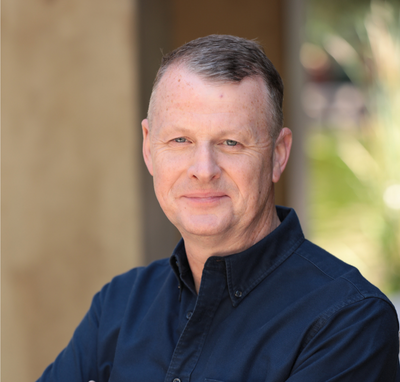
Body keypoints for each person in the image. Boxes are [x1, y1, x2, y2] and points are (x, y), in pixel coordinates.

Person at [37, 35, 400, 382]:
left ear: (278, 154)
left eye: (230, 142)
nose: (203, 170)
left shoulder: (348, 320)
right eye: (180, 140)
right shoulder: (117, 306)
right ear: (149, 148)